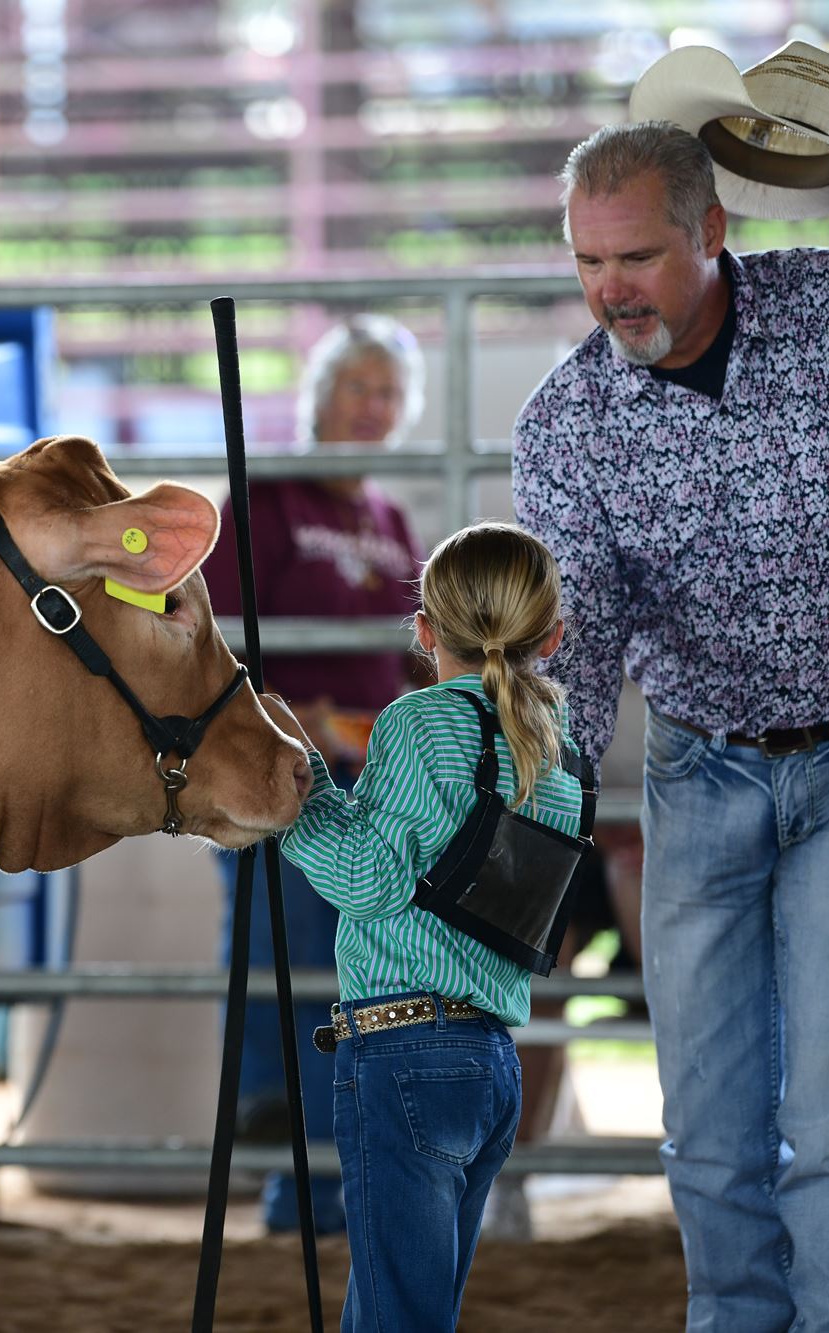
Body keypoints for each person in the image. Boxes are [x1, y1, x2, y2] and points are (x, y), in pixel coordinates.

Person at [513, 118, 829, 1331]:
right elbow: (583, 627)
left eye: (638, 257)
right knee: (705, 1131)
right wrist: (536, 784)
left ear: (711, 232)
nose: (610, 290)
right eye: (586, 263)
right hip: (701, 767)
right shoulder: (564, 426)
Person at [276, 520, 585, 1331]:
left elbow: (367, 879)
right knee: (411, 1306)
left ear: (422, 630)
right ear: (552, 634)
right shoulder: (565, 755)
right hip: (489, 1062)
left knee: (393, 1314)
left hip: (403, 1047)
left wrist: (298, 791)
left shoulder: (417, 722)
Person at [200, 314, 426, 1235]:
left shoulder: (388, 517)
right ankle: (282, 1157)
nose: (373, 408)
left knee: (359, 979)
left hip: (378, 780)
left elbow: (414, 649)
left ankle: (326, 1196)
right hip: (285, 771)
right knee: (284, 954)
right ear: (320, 397)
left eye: (389, 393)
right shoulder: (265, 503)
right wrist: (310, 717)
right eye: (357, 388)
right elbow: (206, 638)